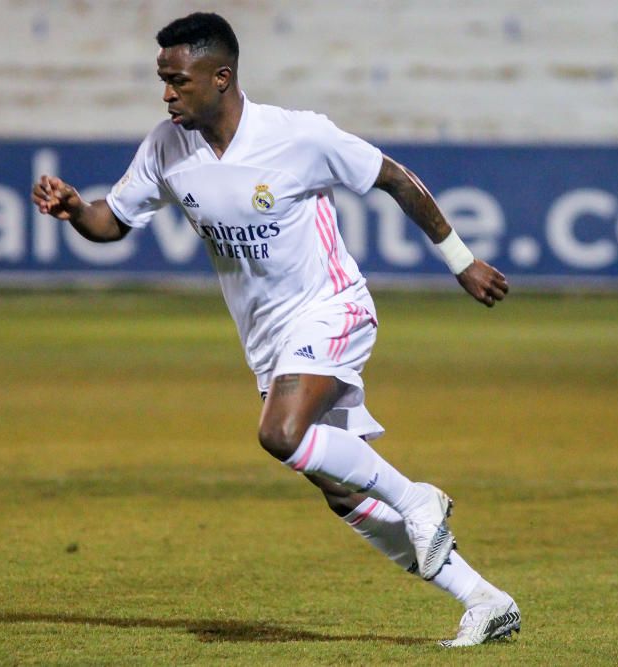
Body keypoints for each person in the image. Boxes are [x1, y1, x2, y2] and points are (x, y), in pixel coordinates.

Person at [32, 12, 519, 647]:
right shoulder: (166, 146)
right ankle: (484, 599)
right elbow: (113, 221)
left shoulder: (298, 137)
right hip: (268, 342)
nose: (167, 94)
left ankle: (419, 497)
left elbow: (394, 178)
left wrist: (460, 260)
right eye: (162, 80)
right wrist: (75, 210)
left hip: (332, 307)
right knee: (339, 488)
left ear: (221, 76)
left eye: (177, 81)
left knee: (281, 434)